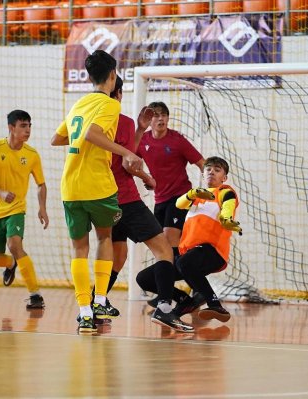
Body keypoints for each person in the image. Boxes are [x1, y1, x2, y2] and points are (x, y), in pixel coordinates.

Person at [50, 50, 143, 335]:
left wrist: (80, 138)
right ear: (113, 76)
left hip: (70, 186)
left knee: (79, 249)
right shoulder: (109, 105)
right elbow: (92, 134)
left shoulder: (78, 103)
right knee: (105, 238)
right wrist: (127, 151)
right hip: (97, 185)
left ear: (90, 76)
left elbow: (57, 139)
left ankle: (84, 313)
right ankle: (100, 300)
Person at [99, 76, 196, 333]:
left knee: (117, 255)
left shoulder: (90, 119)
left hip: (102, 199)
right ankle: (166, 308)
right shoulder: (122, 122)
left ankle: (95, 304)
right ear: (118, 93)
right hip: (126, 199)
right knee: (164, 250)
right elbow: (127, 161)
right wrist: (146, 177)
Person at [136, 156, 242, 325]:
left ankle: (215, 304)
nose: (211, 172)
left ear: (224, 178)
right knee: (145, 278)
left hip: (212, 251)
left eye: (217, 170)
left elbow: (228, 207)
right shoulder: (197, 196)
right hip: (189, 253)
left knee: (184, 263)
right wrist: (192, 193)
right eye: (208, 169)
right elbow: (179, 204)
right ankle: (184, 299)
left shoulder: (225, 192)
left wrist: (227, 218)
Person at [0, 109, 48, 310]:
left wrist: (42, 208)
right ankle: (10, 264)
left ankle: (35, 295)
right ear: (11, 128)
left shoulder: (32, 155)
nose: (28, 130)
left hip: (16, 210)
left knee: (15, 244)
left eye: (29, 126)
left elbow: (41, 184)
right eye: (23, 126)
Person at [136, 101, 205, 261]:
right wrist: (146, 178)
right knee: (161, 246)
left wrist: (216, 188)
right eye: (156, 115)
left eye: (164, 115)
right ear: (149, 120)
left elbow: (202, 163)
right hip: (160, 199)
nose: (161, 119)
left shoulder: (177, 140)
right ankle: (178, 277)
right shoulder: (143, 140)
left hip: (181, 197)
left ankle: (174, 280)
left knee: (169, 239)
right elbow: (129, 162)